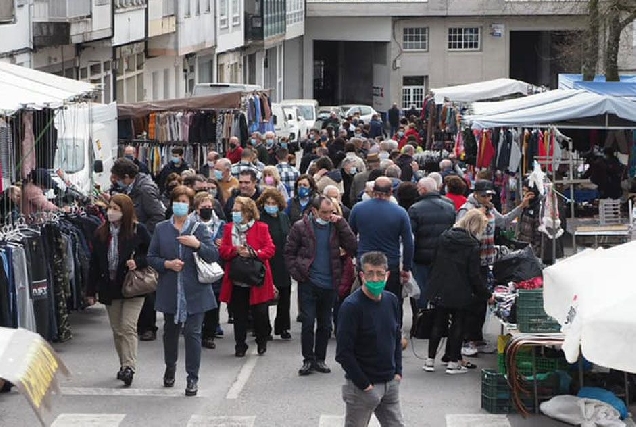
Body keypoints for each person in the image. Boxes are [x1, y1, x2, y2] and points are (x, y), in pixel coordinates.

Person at [147, 185, 219, 397]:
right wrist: (167, 264)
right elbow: (151, 257)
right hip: (171, 290)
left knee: (193, 333)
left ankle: (192, 378)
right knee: (170, 332)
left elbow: (213, 255)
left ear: (190, 206)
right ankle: (170, 366)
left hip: (195, 290)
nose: (180, 205)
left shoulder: (199, 228)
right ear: (172, 204)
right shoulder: (161, 228)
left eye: (185, 202)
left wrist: (197, 245)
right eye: (177, 201)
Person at [457, 179, 532, 356]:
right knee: (473, 303)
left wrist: (521, 206)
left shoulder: (490, 209)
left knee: (482, 302)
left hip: (486, 261)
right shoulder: (467, 210)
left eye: (490, 195)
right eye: (485, 195)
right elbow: (460, 233)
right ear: (476, 194)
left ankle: (477, 338)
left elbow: (503, 222)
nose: (488, 198)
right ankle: (467, 340)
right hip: (473, 262)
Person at [284, 195, 357, 376]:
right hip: (308, 281)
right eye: (324, 212)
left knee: (325, 324)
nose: (327, 216)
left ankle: (320, 358)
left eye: (330, 212)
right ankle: (308, 359)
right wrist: (298, 273)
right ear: (314, 211)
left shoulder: (336, 227)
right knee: (308, 322)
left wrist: (341, 223)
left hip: (330, 282)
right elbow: (289, 252)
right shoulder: (300, 227)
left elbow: (353, 246)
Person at [86, 194, 152, 387]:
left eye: (116, 208)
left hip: (133, 287)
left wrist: (138, 262)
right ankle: (123, 363)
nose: (111, 212)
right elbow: (94, 264)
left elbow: (153, 254)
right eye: (110, 208)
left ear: (126, 211)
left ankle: (129, 367)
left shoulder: (138, 231)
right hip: (110, 288)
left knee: (128, 327)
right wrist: (90, 291)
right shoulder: (101, 233)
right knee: (117, 330)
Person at [335, 251, 405, 427]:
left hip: (389, 383)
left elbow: (396, 337)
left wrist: (397, 372)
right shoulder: (351, 307)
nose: (375, 279)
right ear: (362, 276)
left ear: (387, 275)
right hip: (362, 388)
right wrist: (365, 385)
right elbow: (344, 353)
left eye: (380, 274)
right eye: (370, 273)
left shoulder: (391, 300)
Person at [424, 210, 493, 374]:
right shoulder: (472, 245)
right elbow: (473, 274)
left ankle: (429, 360)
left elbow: (434, 262)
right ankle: (453, 363)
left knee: (438, 323)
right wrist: (486, 294)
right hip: (461, 288)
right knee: (458, 324)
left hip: (440, 285)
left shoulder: (444, 237)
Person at [110, 158, 167, 341]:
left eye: (118, 178)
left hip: (143, 241)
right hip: (134, 238)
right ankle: (140, 324)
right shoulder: (134, 188)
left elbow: (158, 215)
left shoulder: (144, 190)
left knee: (145, 283)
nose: (116, 182)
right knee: (136, 280)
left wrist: (141, 232)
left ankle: (148, 326)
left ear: (126, 177)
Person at [349, 177, 414, 325]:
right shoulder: (400, 213)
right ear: (391, 192)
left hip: (365, 263)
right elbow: (409, 243)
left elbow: (350, 236)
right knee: (392, 301)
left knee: (366, 297)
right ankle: (393, 330)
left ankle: (366, 328)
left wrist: (356, 256)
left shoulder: (358, 209)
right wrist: (406, 268)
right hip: (389, 265)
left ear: (373, 191)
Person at [219, 197, 276, 357]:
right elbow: (223, 250)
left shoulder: (261, 227)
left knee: (260, 313)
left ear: (248, 212)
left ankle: (261, 340)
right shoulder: (228, 228)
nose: (234, 213)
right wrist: (235, 250)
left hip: (256, 278)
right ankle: (240, 344)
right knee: (239, 314)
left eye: (238, 210)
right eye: (234, 210)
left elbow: (270, 249)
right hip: (236, 278)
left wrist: (254, 253)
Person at [407, 177, 456, 309]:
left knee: (422, 290)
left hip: (421, 258)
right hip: (443, 256)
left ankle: (423, 318)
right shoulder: (450, 206)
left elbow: (410, 236)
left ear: (423, 190)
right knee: (440, 289)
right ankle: (438, 319)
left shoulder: (415, 209)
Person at [190, 192, 225, 350]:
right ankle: (195, 330)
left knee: (214, 301)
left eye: (209, 207)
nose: (207, 210)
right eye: (204, 207)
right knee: (197, 300)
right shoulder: (190, 224)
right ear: (197, 209)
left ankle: (209, 334)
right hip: (196, 266)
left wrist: (222, 243)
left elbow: (227, 241)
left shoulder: (221, 224)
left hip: (214, 267)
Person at [256, 188, 292, 340]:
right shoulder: (261, 220)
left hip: (283, 261)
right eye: (267, 203)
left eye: (273, 203)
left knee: (285, 296)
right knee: (265, 298)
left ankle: (282, 327)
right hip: (267, 261)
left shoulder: (284, 217)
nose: (270, 205)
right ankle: (264, 329)